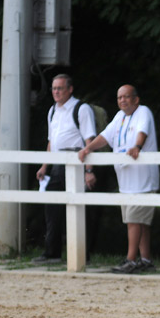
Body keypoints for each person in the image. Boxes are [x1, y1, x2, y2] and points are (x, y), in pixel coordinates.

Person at [78, 84, 160, 274]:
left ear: (136, 99)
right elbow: (105, 136)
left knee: (134, 221)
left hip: (142, 180)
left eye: (126, 96)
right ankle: (146, 259)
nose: (122, 100)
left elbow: (142, 132)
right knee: (140, 223)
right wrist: (88, 148)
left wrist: (137, 147)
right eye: (119, 97)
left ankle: (130, 260)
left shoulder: (143, 112)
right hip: (126, 181)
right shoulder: (119, 117)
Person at [34, 74, 97, 264]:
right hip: (57, 166)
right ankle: (52, 253)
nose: (56, 92)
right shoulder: (52, 110)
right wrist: (45, 166)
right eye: (54, 88)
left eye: (60, 88)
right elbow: (51, 142)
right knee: (52, 208)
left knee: (78, 210)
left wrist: (89, 170)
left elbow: (89, 141)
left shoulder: (81, 109)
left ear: (70, 89)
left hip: (76, 164)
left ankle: (80, 255)